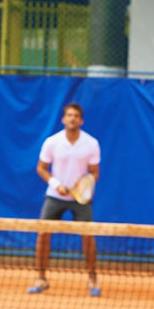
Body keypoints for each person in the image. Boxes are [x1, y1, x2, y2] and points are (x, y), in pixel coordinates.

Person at [28, 102, 101, 297]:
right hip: (54, 196)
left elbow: (95, 173)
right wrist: (56, 184)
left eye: (76, 116)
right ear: (63, 119)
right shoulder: (52, 142)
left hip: (80, 199)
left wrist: (81, 186)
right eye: (69, 115)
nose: (72, 118)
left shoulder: (92, 144)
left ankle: (93, 278)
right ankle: (41, 278)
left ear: (81, 120)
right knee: (43, 234)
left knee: (88, 237)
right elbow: (41, 168)